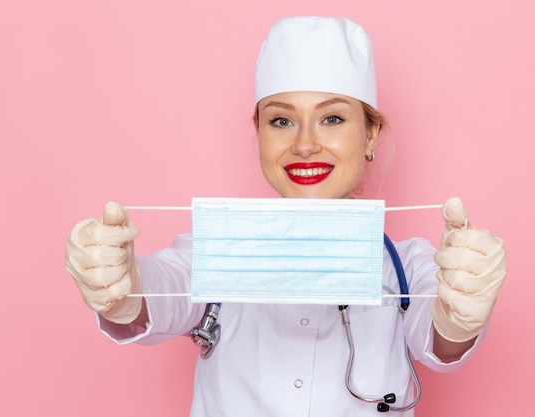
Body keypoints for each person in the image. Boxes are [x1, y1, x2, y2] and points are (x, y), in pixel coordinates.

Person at [64, 16, 506, 417]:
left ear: (370, 134)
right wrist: (123, 290)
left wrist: (457, 316)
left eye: (331, 118)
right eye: (281, 121)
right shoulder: (217, 249)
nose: (305, 144)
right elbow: (164, 290)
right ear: (259, 134)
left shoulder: (408, 266)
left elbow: (440, 343)